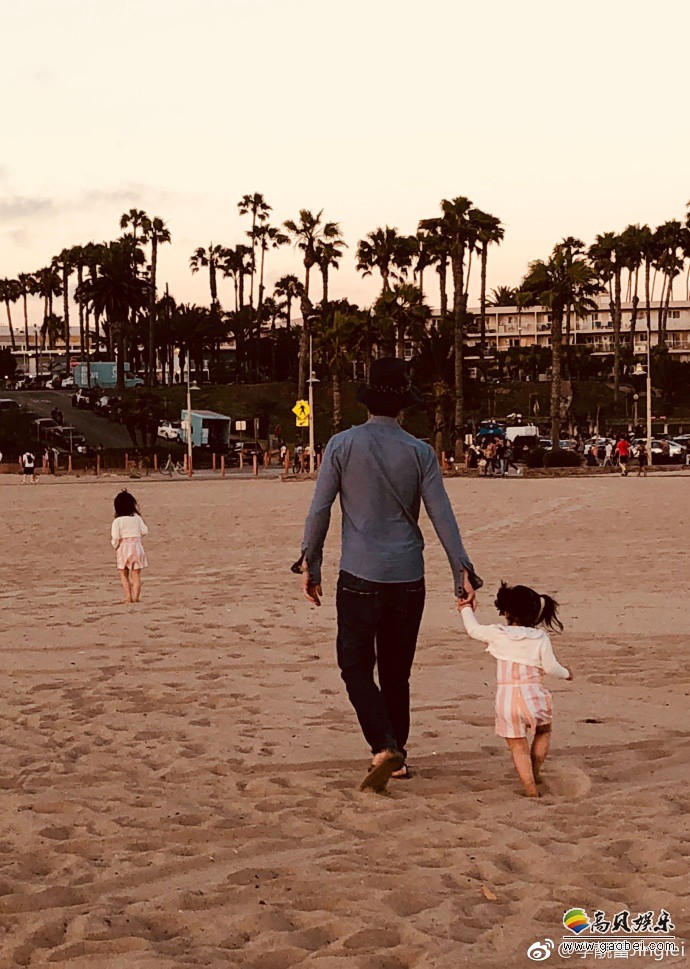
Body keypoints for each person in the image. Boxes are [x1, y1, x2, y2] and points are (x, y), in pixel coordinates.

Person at [296, 358, 482, 793]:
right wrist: (462, 571)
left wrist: (310, 561)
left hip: (359, 575)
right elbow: (442, 515)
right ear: (403, 406)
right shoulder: (420, 452)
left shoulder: (342, 445)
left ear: (367, 401)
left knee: (354, 665)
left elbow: (320, 509)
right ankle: (397, 757)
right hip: (408, 577)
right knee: (397, 673)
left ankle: (383, 746)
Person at [458, 581, 572, 798]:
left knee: (518, 746)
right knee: (543, 731)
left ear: (506, 612)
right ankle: (535, 771)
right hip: (534, 696)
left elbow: (473, 629)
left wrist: (465, 608)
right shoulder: (540, 638)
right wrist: (566, 673)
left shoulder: (498, 633)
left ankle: (529, 787)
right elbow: (551, 667)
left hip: (507, 700)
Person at [111, 490, 149, 603]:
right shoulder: (137, 518)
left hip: (124, 548)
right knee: (136, 574)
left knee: (124, 574)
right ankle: (136, 597)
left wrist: (115, 546)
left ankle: (128, 597)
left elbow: (115, 537)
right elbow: (145, 531)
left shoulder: (117, 521)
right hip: (136, 547)